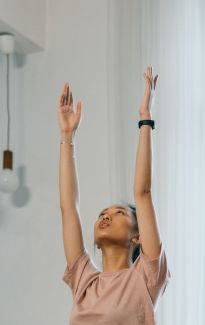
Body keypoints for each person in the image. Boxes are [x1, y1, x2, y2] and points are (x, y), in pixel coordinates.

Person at [57, 67, 169, 324]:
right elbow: (68, 207)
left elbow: (143, 194)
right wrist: (66, 137)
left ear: (137, 237)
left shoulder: (146, 278)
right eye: (102, 215)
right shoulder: (85, 280)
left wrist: (145, 118)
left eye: (118, 214)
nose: (105, 218)